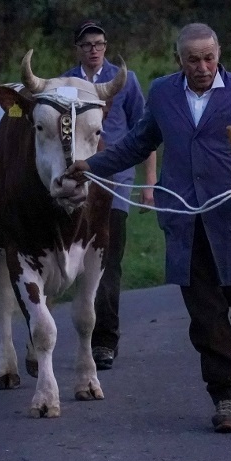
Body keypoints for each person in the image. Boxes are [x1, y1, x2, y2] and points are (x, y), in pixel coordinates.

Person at [65, 23, 231, 433]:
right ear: (178, 59)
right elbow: (138, 142)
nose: (201, 67)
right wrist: (91, 166)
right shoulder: (164, 92)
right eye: (192, 59)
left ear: (218, 55)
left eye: (208, 58)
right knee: (206, 316)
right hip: (186, 220)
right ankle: (227, 395)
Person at [62, 20, 158, 371]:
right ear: (78, 49)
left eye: (99, 43)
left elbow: (146, 133)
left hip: (114, 182)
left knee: (107, 263)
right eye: (87, 44)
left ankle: (105, 341)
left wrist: (149, 183)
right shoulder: (67, 83)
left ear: (106, 46)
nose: (93, 49)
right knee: (66, 259)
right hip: (75, 182)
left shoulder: (124, 80)